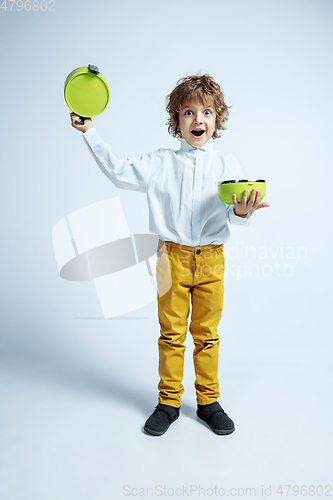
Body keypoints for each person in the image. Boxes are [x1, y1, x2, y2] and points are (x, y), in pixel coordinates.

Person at [70, 73, 270, 436]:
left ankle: (208, 402)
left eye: (207, 112)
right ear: (176, 122)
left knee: (207, 334)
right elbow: (118, 171)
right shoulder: (160, 162)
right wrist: (90, 132)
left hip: (211, 258)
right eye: (189, 112)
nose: (198, 119)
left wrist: (243, 212)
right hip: (171, 258)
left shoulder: (228, 165)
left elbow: (234, 215)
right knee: (171, 334)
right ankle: (169, 403)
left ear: (217, 119)